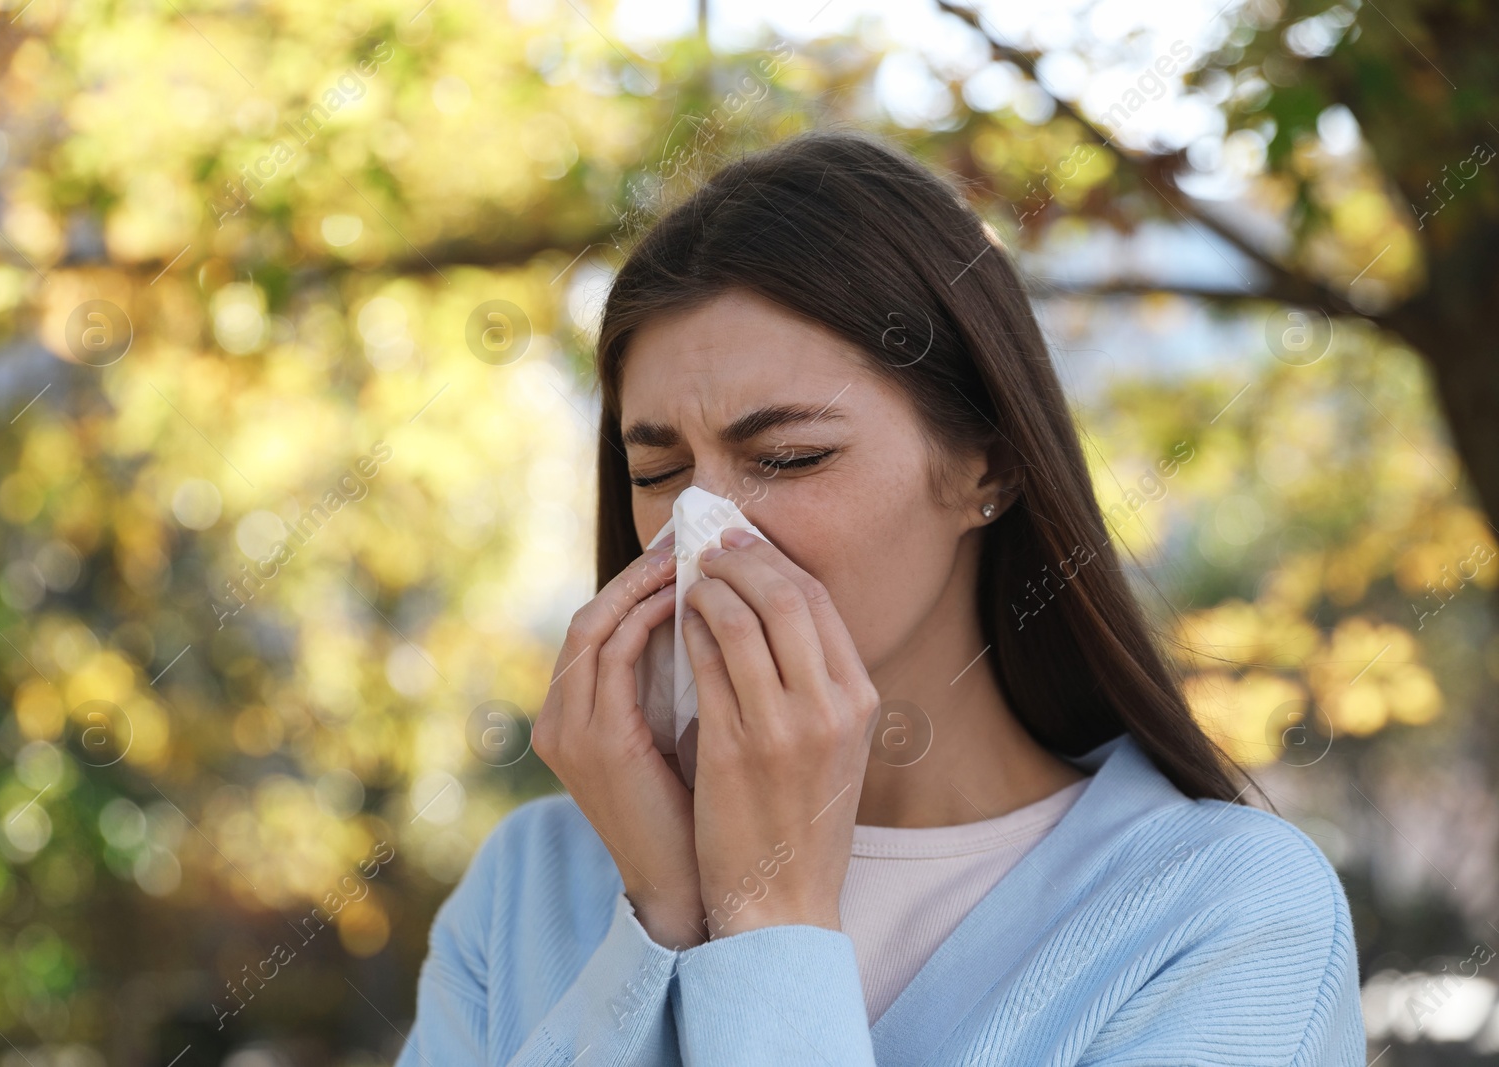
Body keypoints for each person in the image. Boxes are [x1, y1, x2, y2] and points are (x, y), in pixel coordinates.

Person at [394, 130, 1367, 1065]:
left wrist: (766, 923)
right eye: (659, 469)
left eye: (789, 457)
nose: (708, 532)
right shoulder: (531, 880)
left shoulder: (1224, 911)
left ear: (986, 461)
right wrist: (660, 915)